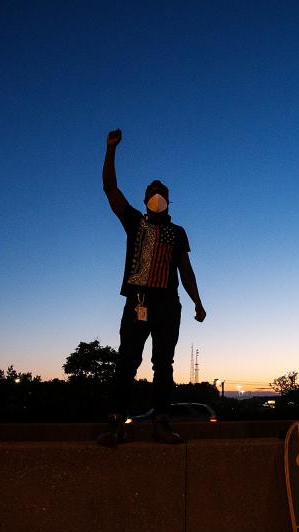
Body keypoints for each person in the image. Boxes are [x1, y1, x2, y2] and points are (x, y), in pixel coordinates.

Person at [98, 128, 206, 446]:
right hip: (137, 301)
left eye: (161, 191)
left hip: (168, 304)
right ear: (145, 199)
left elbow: (185, 270)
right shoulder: (134, 222)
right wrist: (111, 149)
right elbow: (109, 188)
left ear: (168, 200)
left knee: (164, 364)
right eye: (151, 191)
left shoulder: (177, 232)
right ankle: (116, 422)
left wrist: (198, 302)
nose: (156, 195)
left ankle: (161, 421)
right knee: (127, 361)